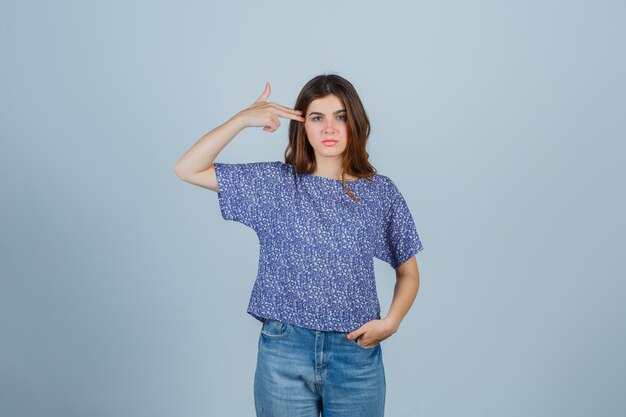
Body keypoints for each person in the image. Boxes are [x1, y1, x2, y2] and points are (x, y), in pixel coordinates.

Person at [173, 74, 423, 417]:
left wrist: (392, 322)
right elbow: (187, 169)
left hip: (355, 355)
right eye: (317, 117)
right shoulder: (275, 184)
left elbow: (408, 272)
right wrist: (242, 120)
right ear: (302, 125)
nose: (329, 128)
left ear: (356, 123)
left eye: (341, 116)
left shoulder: (380, 192)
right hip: (285, 351)